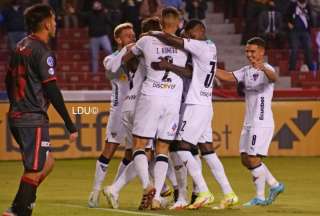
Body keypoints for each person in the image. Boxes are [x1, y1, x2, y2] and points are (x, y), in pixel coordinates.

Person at [149, 19, 238, 209]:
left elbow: (178, 43)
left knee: (181, 146)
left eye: (190, 33)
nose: (187, 37)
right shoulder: (210, 46)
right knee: (208, 151)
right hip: (205, 103)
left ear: (199, 31)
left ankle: (204, 192)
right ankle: (229, 193)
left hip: (195, 104)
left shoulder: (200, 46)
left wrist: (154, 34)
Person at [3, 4, 78, 216]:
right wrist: (69, 123)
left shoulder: (20, 45)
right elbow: (52, 89)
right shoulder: (43, 51)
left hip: (17, 115)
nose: (56, 23)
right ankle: (20, 211)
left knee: (48, 162)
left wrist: (16, 105)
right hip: (32, 118)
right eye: (53, 20)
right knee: (35, 171)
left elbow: (8, 79)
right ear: (46, 23)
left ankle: (16, 208)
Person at [121, 7, 189, 210]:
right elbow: (188, 71)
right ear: (178, 24)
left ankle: (147, 185)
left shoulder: (146, 40)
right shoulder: (185, 45)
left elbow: (126, 58)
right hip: (173, 99)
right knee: (163, 148)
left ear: (160, 23)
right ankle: (158, 196)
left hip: (151, 96)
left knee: (140, 144)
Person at [215, 37, 284, 207]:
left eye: (253, 51)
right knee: (245, 158)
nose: (249, 54)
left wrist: (263, 68)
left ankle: (260, 197)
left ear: (262, 52)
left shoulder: (266, 68)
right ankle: (275, 185)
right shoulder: (246, 70)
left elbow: (274, 78)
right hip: (249, 121)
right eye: (247, 51)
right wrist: (209, 67)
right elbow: (228, 76)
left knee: (253, 157)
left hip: (261, 121)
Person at [88, 22, 136, 208]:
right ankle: (95, 191)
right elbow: (111, 71)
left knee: (133, 153)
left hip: (137, 111)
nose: (132, 37)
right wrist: (127, 50)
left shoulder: (137, 56)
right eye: (127, 35)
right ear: (118, 39)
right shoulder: (111, 58)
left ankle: (114, 189)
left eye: (133, 35)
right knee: (110, 149)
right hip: (118, 111)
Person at [82, 0, 113, 73]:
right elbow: (82, 15)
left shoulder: (103, 14)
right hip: (93, 38)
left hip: (103, 36)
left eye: (98, 5)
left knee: (109, 51)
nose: (96, 6)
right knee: (94, 56)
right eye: (95, 5)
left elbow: (110, 22)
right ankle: (95, 72)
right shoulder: (90, 14)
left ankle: (112, 68)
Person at [286, 0, 313, 71]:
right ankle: (292, 69)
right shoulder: (292, 5)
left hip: (305, 31)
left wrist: (309, 28)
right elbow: (286, 16)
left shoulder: (308, 6)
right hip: (295, 31)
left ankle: (310, 68)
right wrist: (289, 23)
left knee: (309, 48)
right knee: (294, 49)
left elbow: (311, 18)